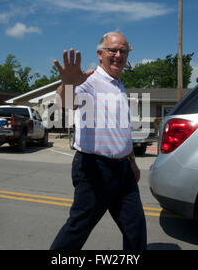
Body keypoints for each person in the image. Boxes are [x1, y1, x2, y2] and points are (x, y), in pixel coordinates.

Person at [50, 32, 147, 250]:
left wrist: (131, 161)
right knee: (78, 229)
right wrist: (67, 84)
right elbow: (66, 102)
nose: (118, 55)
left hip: (123, 171)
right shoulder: (90, 81)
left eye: (123, 50)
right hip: (95, 169)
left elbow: (123, 129)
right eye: (113, 50)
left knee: (136, 229)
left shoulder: (119, 85)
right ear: (100, 54)